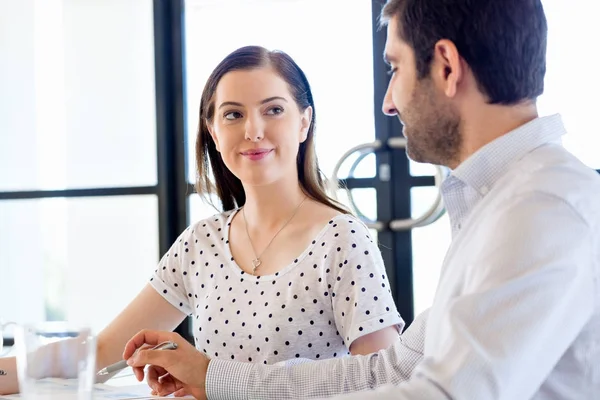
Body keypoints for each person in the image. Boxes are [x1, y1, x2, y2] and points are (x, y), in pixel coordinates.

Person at [120, 0, 600, 399]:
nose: (388, 101)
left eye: (395, 68)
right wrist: (214, 378)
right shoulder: (496, 204)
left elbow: (443, 396)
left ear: (447, 67)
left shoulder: (543, 207)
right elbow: (388, 371)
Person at [0, 45, 405, 396]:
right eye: (232, 115)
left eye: (274, 110)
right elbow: (102, 351)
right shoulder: (202, 242)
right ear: (212, 130)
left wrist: (212, 378)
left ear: (304, 121)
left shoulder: (341, 238)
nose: (254, 130)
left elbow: (386, 381)